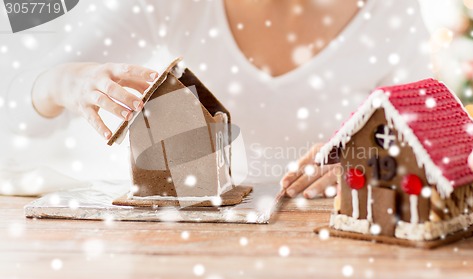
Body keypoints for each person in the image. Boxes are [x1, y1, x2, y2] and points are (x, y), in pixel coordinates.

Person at [3, 0, 431, 198]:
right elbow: (13, 114)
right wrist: (63, 82)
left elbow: (422, 140)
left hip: (331, 256)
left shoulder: (394, 13)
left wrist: (372, 159)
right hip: (187, 252)